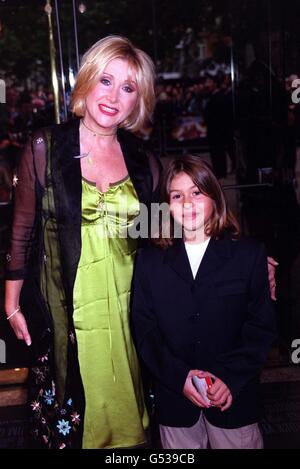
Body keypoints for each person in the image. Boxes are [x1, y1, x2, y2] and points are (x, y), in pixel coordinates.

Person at [4, 35, 160, 449]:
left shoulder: (145, 161)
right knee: (74, 424)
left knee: (132, 428)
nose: (113, 96)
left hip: (131, 311)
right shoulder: (44, 147)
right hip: (65, 311)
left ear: (137, 100)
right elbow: (21, 231)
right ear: (86, 80)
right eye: (105, 80)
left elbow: (163, 236)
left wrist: (242, 262)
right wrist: (11, 302)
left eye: (127, 88)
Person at [131, 155, 277, 449]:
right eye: (177, 195)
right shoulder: (149, 262)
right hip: (175, 402)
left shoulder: (248, 256)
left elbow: (260, 327)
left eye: (196, 192)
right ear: (165, 205)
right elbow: (145, 331)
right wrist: (179, 376)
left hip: (233, 400)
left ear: (215, 196)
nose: (187, 203)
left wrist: (230, 377)